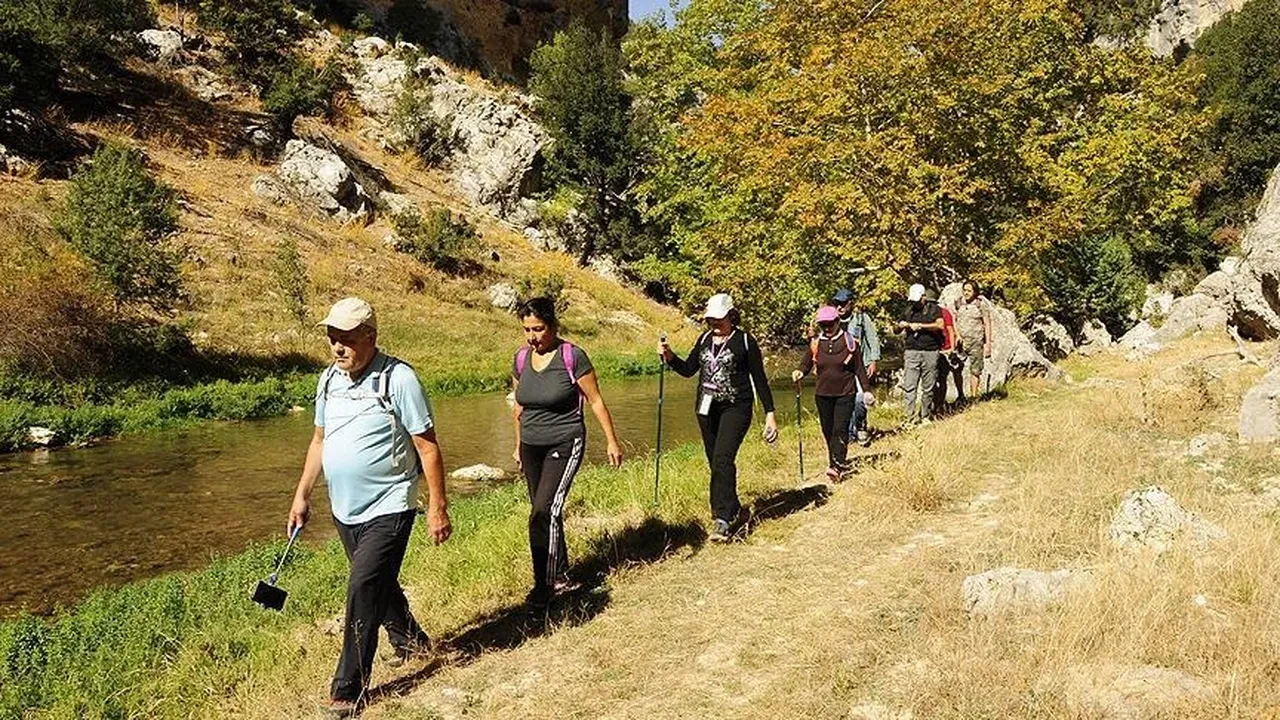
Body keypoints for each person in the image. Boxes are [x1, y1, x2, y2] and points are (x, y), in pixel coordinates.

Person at [287, 297, 452, 720]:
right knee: (377, 582)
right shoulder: (329, 380)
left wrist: (437, 505)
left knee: (362, 586)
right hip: (345, 509)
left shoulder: (399, 379)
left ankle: (347, 690)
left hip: (391, 503)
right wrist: (302, 493)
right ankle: (411, 641)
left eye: (346, 339)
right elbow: (320, 441)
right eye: (332, 339)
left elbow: (426, 446)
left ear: (370, 337)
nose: (338, 348)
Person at [511, 297, 623, 609]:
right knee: (543, 512)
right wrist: (518, 444)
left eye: (539, 329)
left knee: (544, 511)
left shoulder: (573, 356)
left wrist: (611, 441)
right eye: (527, 330)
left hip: (565, 441)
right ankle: (559, 575)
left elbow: (596, 400)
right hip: (531, 445)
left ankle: (544, 586)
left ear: (553, 325)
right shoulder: (521, 359)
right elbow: (518, 406)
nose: (533, 336)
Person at [659, 293, 779, 541]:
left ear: (731, 315)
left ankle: (722, 519)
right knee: (716, 463)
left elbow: (759, 379)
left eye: (719, 318)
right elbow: (689, 369)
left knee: (723, 458)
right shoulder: (704, 339)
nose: (714, 323)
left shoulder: (745, 341)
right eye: (710, 319)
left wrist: (770, 414)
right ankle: (733, 507)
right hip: (706, 408)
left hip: (736, 407)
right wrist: (670, 357)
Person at [792, 305, 872, 482]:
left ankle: (836, 466)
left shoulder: (850, 342)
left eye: (829, 324)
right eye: (823, 325)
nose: (827, 328)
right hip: (822, 394)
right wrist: (799, 372)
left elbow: (859, 368)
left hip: (845, 392)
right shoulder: (816, 343)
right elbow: (806, 363)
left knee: (840, 429)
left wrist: (866, 390)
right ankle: (834, 460)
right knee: (827, 430)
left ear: (837, 322)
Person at [832, 288, 880, 446]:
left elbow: (873, 339)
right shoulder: (832, 321)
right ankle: (849, 433)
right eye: (837, 303)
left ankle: (861, 427)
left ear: (851, 304)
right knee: (844, 401)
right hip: (841, 369)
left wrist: (873, 360)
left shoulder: (861, 318)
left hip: (860, 365)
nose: (839, 307)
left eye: (843, 303)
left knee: (860, 399)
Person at [897, 283, 945, 425]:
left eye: (918, 300)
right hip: (912, 351)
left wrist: (921, 326)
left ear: (924, 297)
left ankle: (925, 415)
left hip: (930, 351)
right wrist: (901, 325)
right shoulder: (908, 310)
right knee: (910, 386)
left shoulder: (934, 309)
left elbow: (940, 325)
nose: (915, 303)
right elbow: (896, 328)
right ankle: (909, 418)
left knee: (928, 386)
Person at [953, 280, 994, 399]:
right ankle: (960, 395)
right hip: (961, 343)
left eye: (969, 291)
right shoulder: (958, 302)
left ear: (975, 292)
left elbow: (987, 323)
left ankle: (973, 396)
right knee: (956, 368)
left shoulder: (980, 304)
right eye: (964, 290)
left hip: (976, 342)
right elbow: (954, 321)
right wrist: (957, 335)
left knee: (975, 370)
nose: (966, 293)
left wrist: (988, 345)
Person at [930, 289, 962, 410]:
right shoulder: (925, 313)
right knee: (932, 378)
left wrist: (952, 349)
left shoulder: (944, 312)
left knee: (942, 378)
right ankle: (934, 403)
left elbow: (950, 330)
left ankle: (940, 404)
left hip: (945, 348)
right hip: (932, 348)